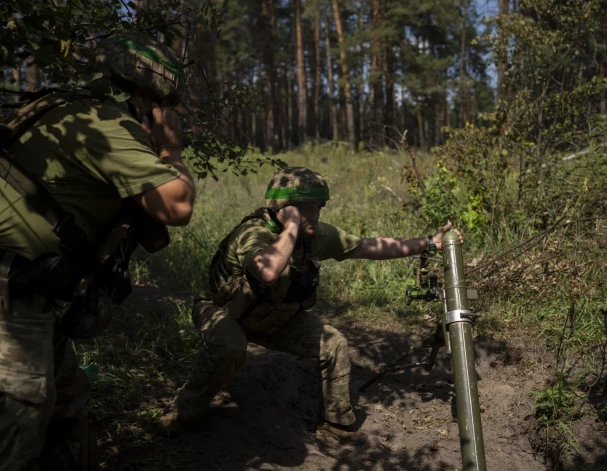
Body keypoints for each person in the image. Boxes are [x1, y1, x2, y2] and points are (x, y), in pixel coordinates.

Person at [0, 33, 196, 471]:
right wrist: (170, 147)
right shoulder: (109, 124)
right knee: (22, 416)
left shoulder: (66, 108)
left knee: (68, 400)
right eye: (162, 103)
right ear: (147, 97)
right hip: (10, 290)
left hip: (28, 289)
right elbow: (177, 204)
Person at [160, 166, 460, 445]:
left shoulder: (316, 236)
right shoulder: (253, 233)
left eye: (318, 206)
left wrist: (428, 242)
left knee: (334, 344)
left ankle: (337, 424)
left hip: (272, 319)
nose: (314, 214)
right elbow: (267, 270)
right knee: (229, 347)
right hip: (222, 311)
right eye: (305, 207)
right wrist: (291, 227)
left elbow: (370, 246)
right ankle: (184, 412)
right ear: (282, 208)